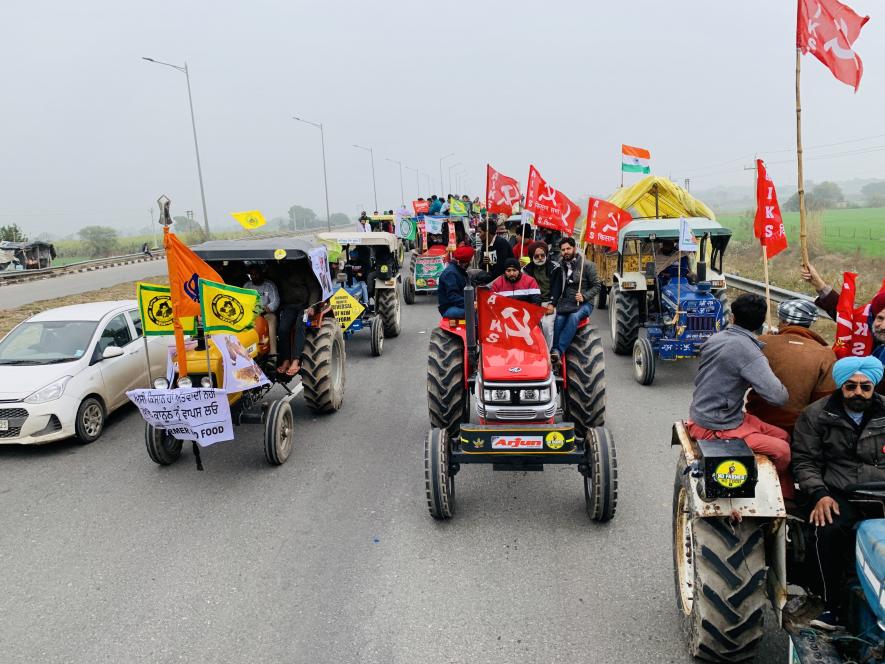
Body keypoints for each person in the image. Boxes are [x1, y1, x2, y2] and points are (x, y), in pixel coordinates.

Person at [791, 355, 885, 629]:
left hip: (881, 491)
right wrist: (819, 494)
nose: (858, 392)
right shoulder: (816, 415)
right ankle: (829, 605)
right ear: (841, 385)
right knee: (826, 529)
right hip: (839, 492)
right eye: (851, 386)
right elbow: (805, 461)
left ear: (874, 386)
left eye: (865, 387)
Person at [687, 294, 793, 496]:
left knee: (784, 435)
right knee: (783, 451)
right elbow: (778, 397)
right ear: (761, 322)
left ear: (733, 317)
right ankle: (769, 491)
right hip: (716, 425)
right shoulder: (748, 352)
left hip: (716, 414)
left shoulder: (716, 339)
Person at [745, 299, 836, 435]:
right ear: (809, 323)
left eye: (780, 320)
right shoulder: (826, 355)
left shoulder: (763, 342)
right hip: (798, 430)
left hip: (756, 421)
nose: (778, 324)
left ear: (786, 322)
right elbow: (823, 402)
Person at [802, 263, 885, 391]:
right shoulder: (866, 325)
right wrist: (819, 285)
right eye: (880, 318)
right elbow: (845, 317)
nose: (883, 326)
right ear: (873, 318)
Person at [550, 237, 600, 360]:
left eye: (568, 248)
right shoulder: (559, 265)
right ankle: (553, 352)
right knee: (559, 319)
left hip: (584, 304)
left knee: (574, 317)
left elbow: (597, 286)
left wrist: (584, 296)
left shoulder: (588, 265)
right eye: (563, 250)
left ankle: (558, 351)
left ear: (574, 248)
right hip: (566, 302)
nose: (565, 251)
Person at [275, 261, 319, 376]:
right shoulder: (280, 271)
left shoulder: (304, 269)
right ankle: (285, 360)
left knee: (301, 325)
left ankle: (296, 360)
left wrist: (312, 306)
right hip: (290, 306)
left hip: (305, 307)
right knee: (282, 329)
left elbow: (314, 289)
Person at [522, 240, 561, 349]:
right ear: (531, 256)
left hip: (549, 303)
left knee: (547, 326)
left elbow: (557, 288)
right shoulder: (525, 270)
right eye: (537, 256)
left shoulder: (555, 267)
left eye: (542, 255)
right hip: (532, 304)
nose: (540, 258)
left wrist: (552, 304)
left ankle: (547, 354)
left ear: (546, 255)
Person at [244, 265, 281, 356]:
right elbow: (243, 301)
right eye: (252, 274)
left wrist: (266, 308)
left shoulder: (269, 285)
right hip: (251, 314)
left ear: (261, 274)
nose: (254, 276)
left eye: (256, 274)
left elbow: (275, 301)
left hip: (265, 314)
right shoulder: (247, 285)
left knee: (272, 318)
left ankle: (273, 353)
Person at [437, 246, 474, 318]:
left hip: (459, 305)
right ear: (466, 262)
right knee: (474, 314)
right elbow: (453, 297)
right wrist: (471, 304)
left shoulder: (459, 270)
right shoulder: (450, 273)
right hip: (449, 308)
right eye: (470, 261)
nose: (470, 263)